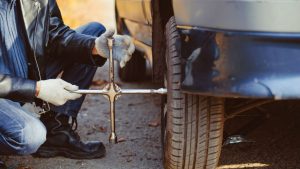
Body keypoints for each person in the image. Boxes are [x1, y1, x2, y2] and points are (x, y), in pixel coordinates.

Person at [0, 0, 134, 167]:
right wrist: (36, 89)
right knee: (30, 135)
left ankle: (56, 131)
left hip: (25, 71)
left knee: (93, 33)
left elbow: (54, 33)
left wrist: (94, 47)